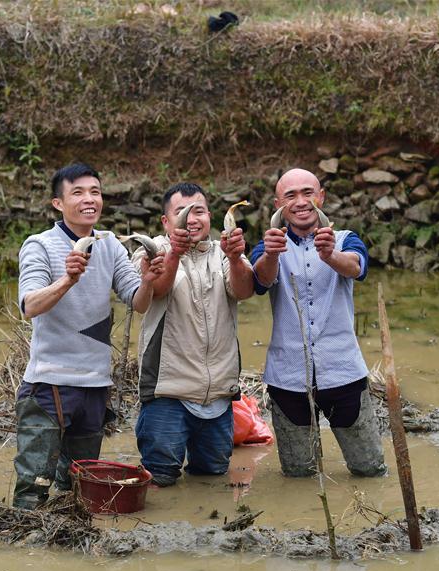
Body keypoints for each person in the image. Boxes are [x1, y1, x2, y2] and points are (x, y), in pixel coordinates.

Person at [13, 163, 164, 509]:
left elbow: (138, 302)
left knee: (77, 489)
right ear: (58, 203)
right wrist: (67, 279)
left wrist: (150, 279)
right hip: (49, 384)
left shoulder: (109, 244)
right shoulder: (39, 245)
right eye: (78, 192)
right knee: (33, 486)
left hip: (95, 384)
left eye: (95, 192)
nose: (89, 199)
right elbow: (29, 305)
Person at [250, 168, 386, 477]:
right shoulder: (269, 245)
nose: (300, 202)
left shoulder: (345, 239)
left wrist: (330, 255)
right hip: (287, 378)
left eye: (307, 193)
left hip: (344, 373)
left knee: (370, 469)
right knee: (298, 475)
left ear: (321, 197)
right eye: (290, 196)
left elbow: (356, 268)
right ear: (277, 205)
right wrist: (272, 255)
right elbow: (260, 281)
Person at [131, 182, 254, 487]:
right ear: (165, 221)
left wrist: (237, 258)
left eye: (198, 211)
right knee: (159, 478)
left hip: (219, 395)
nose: (191, 219)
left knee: (212, 477)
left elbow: (244, 290)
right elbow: (155, 290)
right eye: (182, 212)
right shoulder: (150, 250)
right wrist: (174, 253)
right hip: (167, 392)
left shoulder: (222, 252)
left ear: (210, 216)